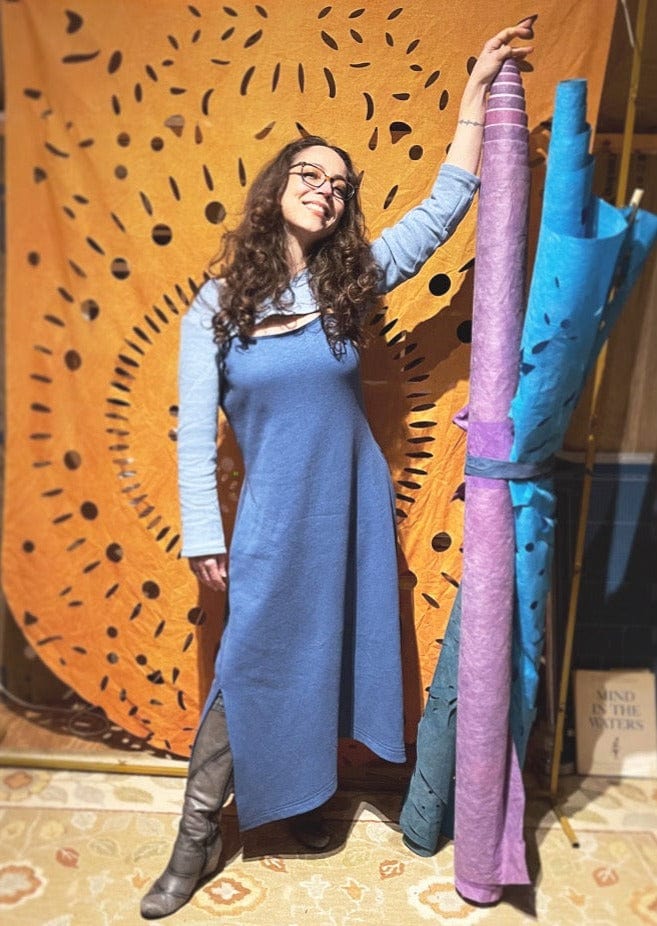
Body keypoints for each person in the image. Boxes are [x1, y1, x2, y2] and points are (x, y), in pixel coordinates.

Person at [140, 20, 535, 920]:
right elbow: (189, 430)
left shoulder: (349, 281)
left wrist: (475, 95)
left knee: (328, 653)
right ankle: (197, 831)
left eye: (340, 186)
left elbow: (441, 211)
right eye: (309, 174)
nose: (325, 191)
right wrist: (204, 531)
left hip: (351, 505)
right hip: (276, 512)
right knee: (257, 656)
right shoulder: (215, 306)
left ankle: (301, 798)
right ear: (277, 185)